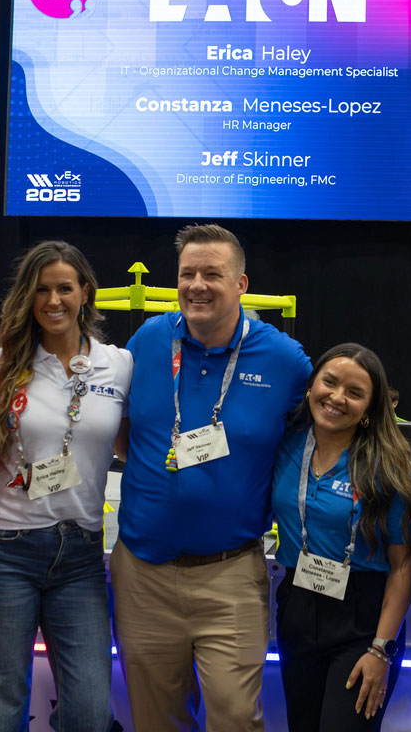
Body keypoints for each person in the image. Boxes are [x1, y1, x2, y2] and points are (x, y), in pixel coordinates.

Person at [109, 223, 311, 730]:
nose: (196, 285)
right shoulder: (149, 339)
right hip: (143, 572)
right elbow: (123, 433)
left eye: (212, 274)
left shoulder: (284, 360)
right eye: (187, 274)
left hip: (230, 574)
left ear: (241, 284)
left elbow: (323, 430)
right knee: (157, 719)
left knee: (235, 717)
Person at [0, 242, 132, 732]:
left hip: (79, 553)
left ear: (85, 293)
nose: (53, 300)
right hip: (3, 549)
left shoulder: (119, 364)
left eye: (64, 288)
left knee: (89, 712)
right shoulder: (2, 364)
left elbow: (130, 445)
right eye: (40, 290)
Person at [271, 343, 411, 730]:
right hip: (298, 607)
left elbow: (403, 567)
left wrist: (381, 649)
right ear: (311, 386)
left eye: (355, 393)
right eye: (330, 382)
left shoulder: (390, 468)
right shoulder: (285, 444)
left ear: (370, 408)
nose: (337, 398)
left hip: (364, 620)